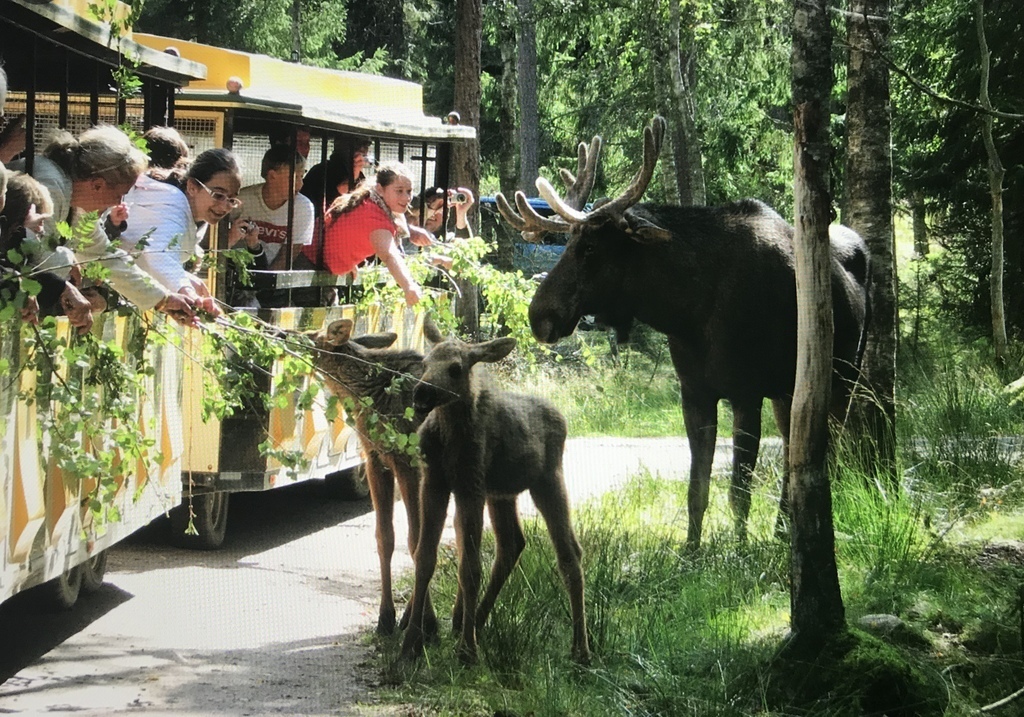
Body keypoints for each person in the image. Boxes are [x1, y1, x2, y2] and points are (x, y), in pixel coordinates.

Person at [8, 125, 196, 324]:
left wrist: (163, 300)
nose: (118, 202)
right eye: (119, 194)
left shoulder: (71, 194)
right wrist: (68, 260)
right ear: (97, 184)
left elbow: (105, 256)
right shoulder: (51, 183)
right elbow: (38, 255)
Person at [119, 147, 253, 317]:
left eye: (232, 199)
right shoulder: (173, 203)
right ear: (192, 186)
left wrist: (188, 281)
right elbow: (158, 255)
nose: (226, 206)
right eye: (218, 195)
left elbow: (145, 256)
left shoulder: (196, 214)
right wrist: (187, 292)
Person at [299, 161, 430, 307]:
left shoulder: (369, 202)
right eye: (399, 191)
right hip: (307, 271)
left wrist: (347, 263)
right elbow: (388, 255)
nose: (407, 198)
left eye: (409, 191)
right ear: (380, 189)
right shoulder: (373, 214)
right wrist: (408, 286)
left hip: (321, 273)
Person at [233, 145, 315, 307]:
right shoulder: (243, 199)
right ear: (272, 176)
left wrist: (262, 284)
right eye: (294, 177)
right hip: (234, 278)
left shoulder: (303, 207)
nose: (301, 184)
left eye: (302, 176)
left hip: (274, 283)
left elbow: (289, 254)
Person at [300, 134, 372, 212]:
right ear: (339, 144)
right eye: (356, 145)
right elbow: (338, 198)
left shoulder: (360, 175)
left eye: (365, 145)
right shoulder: (322, 171)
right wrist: (354, 173)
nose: (362, 149)